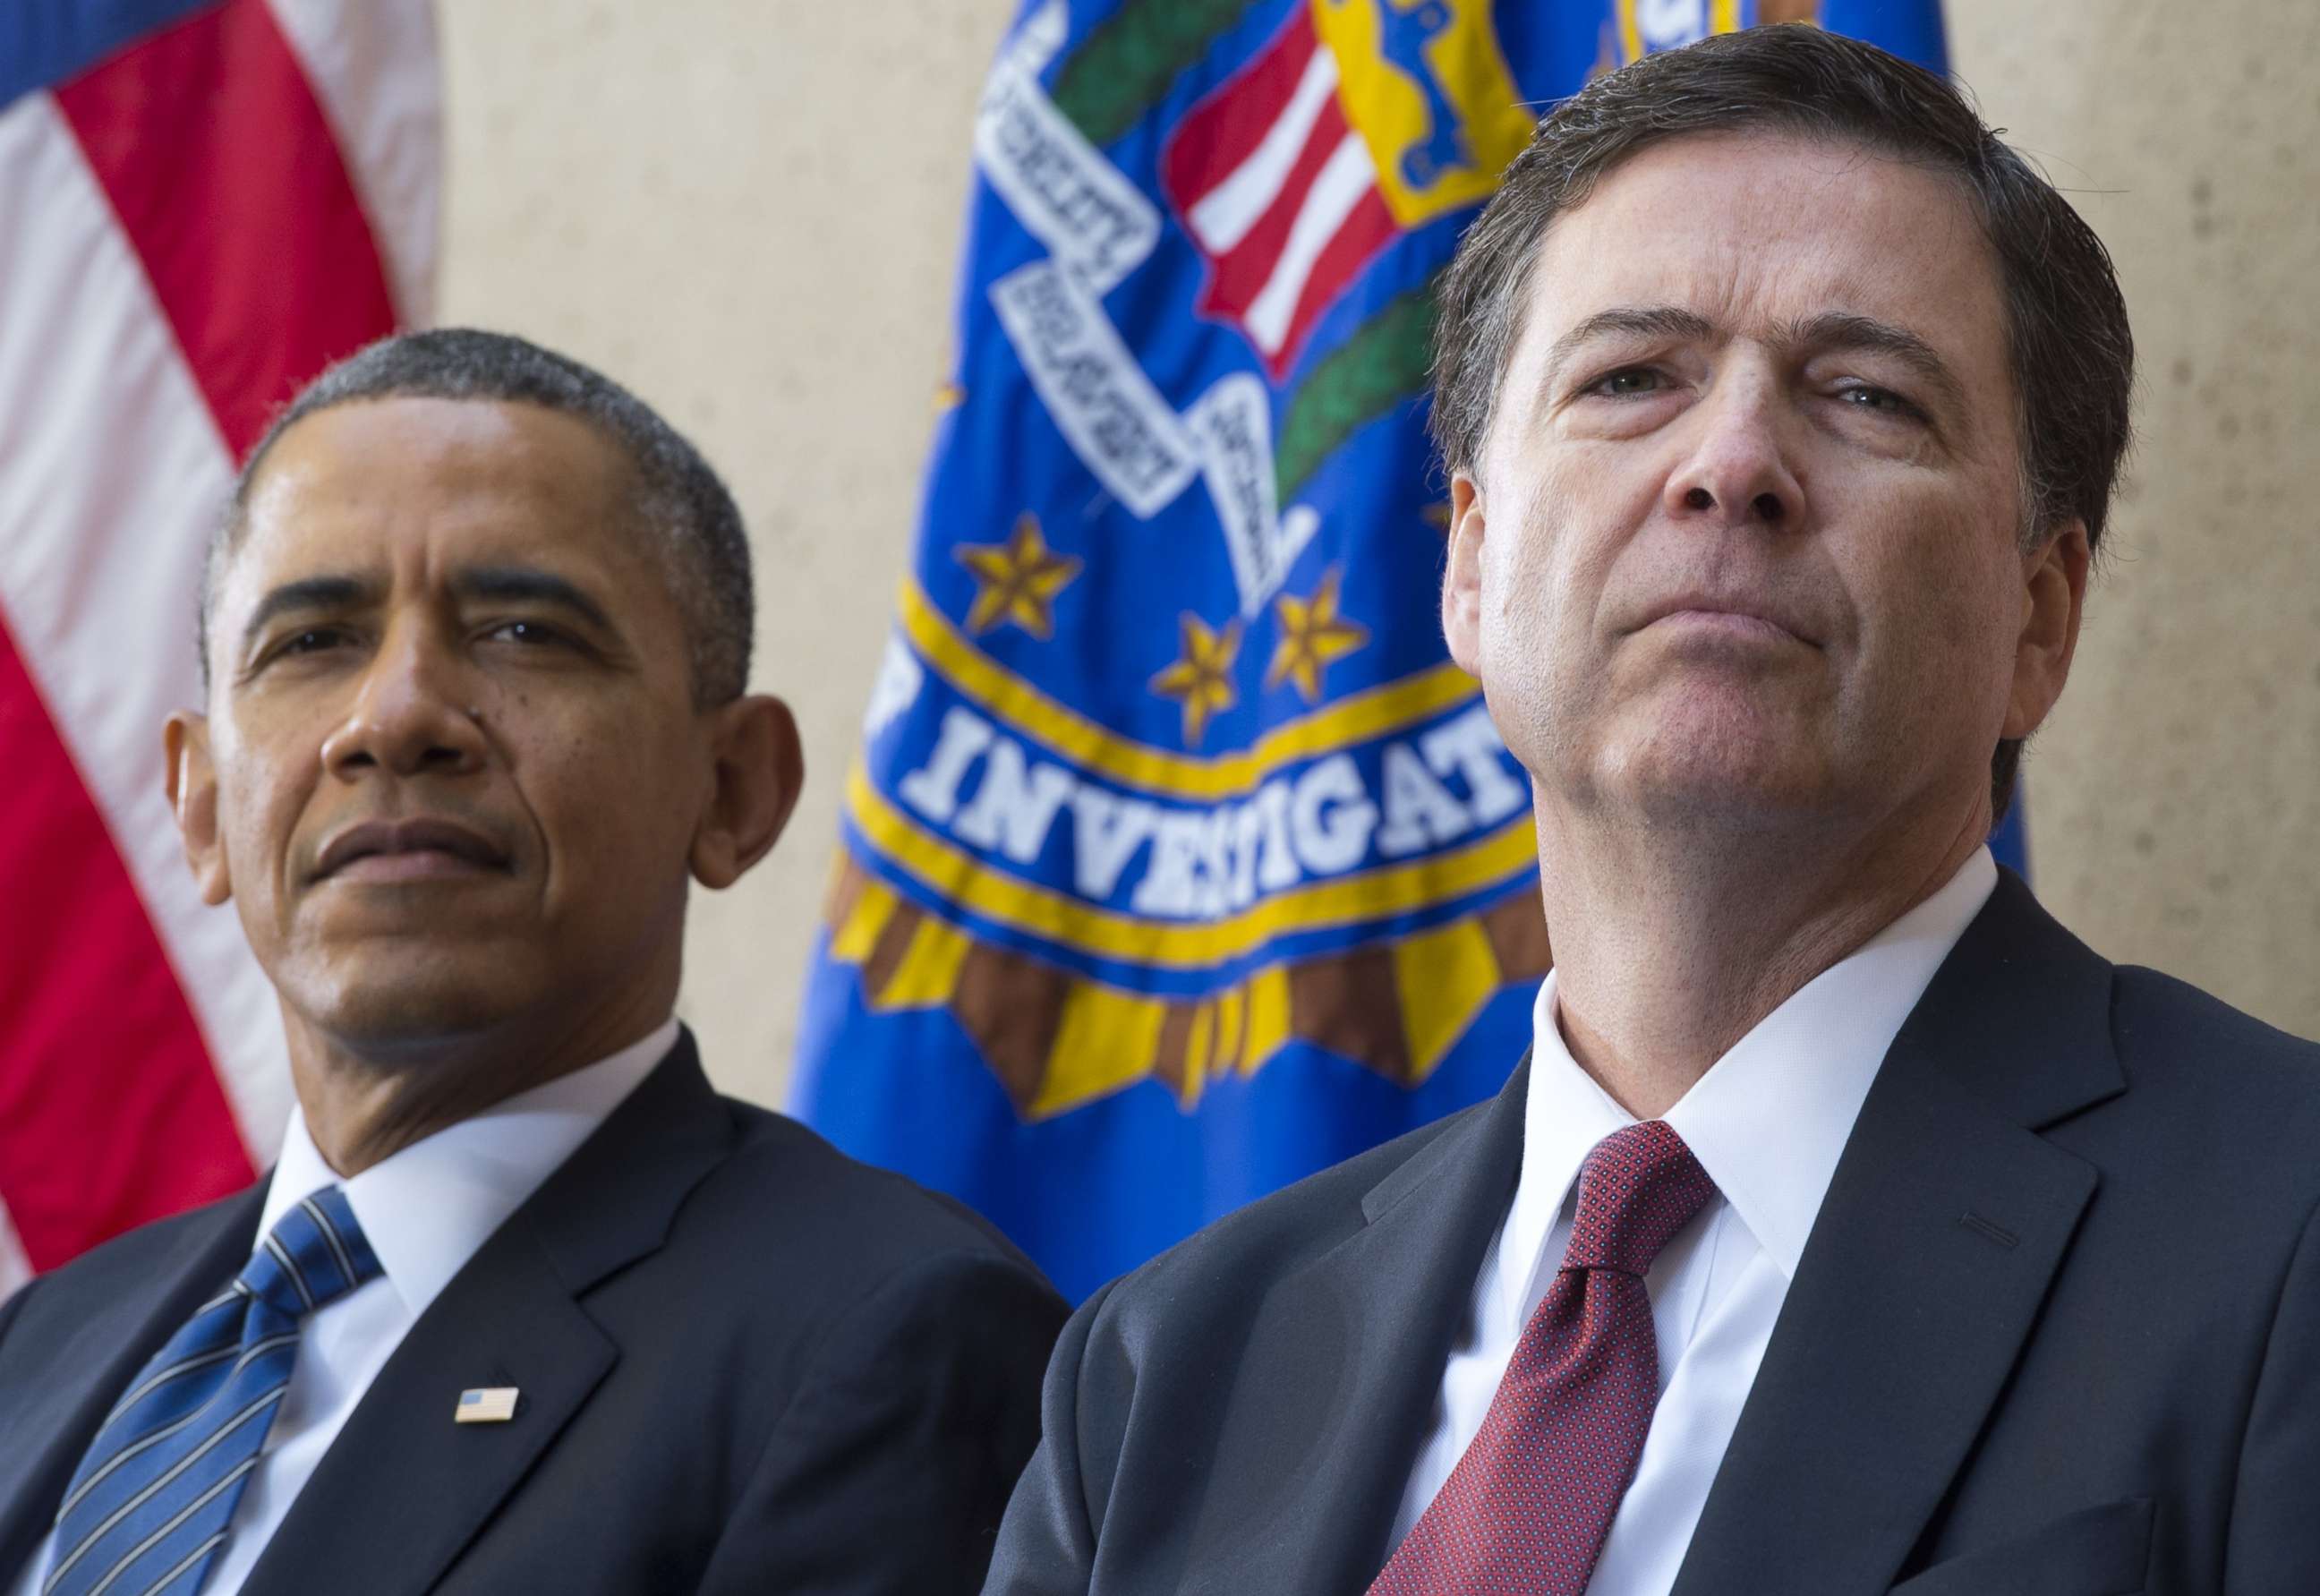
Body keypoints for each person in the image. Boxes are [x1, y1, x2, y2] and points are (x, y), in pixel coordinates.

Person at [985, 25, 2320, 1596]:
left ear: (2041, 616)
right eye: (1631, 378)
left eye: (1870, 396)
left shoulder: (2284, 1237)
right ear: (1471, 566)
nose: (1733, 463)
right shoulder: (1159, 1374)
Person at [0, 329, 1067, 1596]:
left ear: (732, 789)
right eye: (311, 642)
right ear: (199, 807)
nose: (394, 717)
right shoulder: (50, 1341)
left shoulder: (888, 1335)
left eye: (520, 630)